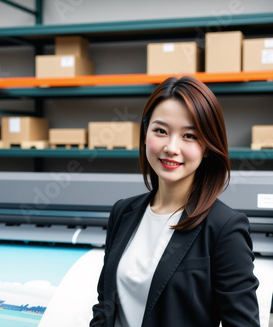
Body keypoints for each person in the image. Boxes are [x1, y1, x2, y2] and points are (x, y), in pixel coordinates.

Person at [90, 76, 260, 327]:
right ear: (145, 134)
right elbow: (105, 303)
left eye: (189, 136)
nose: (171, 147)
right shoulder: (123, 211)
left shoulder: (224, 227)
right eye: (161, 131)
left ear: (207, 146)